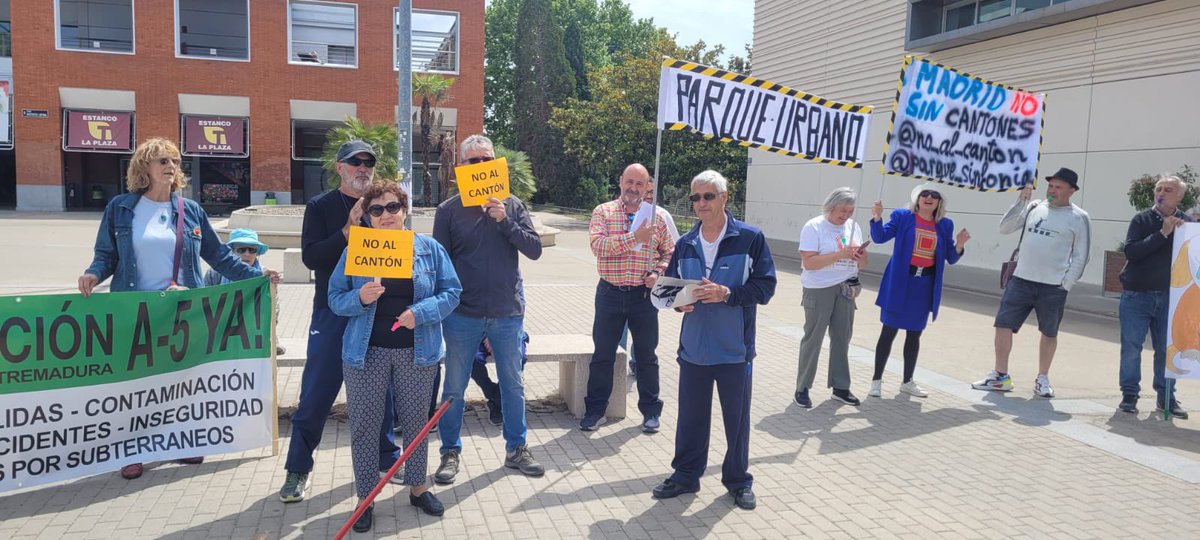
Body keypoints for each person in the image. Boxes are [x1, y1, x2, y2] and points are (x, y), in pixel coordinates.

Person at [78, 137, 279, 480]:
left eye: (173, 161)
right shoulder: (122, 208)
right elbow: (107, 254)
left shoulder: (190, 211)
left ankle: (183, 441)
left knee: (182, 381)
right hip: (135, 308)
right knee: (136, 383)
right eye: (162, 161)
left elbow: (218, 256)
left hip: (183, 308)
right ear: (144, 168)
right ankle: (133, 449)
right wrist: (94, 273)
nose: (170, 167)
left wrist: (256, 275)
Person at [328, 182, 461, 531]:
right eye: (376, 209)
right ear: (367, 217)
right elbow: (334, 298)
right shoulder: (355, 251)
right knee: (366, 427)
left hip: (417, 353)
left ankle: (418, 488)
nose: (385, 215)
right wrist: (360, 298)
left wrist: (423, 311)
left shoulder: (429, 249)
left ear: (403, 210)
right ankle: (366, 497)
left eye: (392, 207)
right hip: (365, 353)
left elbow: (452, 292)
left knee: (417, 425)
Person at [279, 141, 400, 503]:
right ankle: (297, 469)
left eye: (368, 162)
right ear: (340, 168)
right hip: (332, 314)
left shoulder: (384, 204)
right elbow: (312, 258)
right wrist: (348, 230)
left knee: (382, 392)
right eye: (355, 162)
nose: (363, 168)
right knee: (317, 393)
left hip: (377, 312)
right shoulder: (321, 207)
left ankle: (386, 457)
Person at [651, 170, 776, 510]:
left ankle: (737, 481)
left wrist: (727, 293)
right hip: (693, 349)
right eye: (696, 198)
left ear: (724, 197)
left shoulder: (750, 238)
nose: (701, 203)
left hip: (734, 349)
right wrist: (678, 303)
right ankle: (686, 475)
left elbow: (766, 287)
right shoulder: (685, 243)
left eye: (708, 196)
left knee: (736, 421)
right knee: (690, 417)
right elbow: (672, 290)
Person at [432, 134, 545, 484]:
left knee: (513, 385)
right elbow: (438, 264)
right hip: (461, 315)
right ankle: (450, 452)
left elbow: (535, 249)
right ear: (461, 168)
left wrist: (503, 220)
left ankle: (517, 448)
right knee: (453, 388)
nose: (480, 167)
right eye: (473, 162)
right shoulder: (448, 210)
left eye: (486, 161)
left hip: (507, 313)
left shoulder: (512, 205)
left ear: (496, 164)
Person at [973, 168, 1091, 398]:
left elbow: (1081, 255)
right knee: (1003, 325)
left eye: (1059, 187)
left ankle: (1042, 378)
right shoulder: (1035, 207)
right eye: (1051, 186)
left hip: (1053, 287)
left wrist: (1066, 284)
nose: (1053, 191)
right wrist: (1021, 200)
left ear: (1072, 191)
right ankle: (1000, 376)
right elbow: (1005, 228)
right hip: (1021, 280)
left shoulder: (1079, 217)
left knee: (1049, 332)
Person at [582, 163, 673, 432]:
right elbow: (598, 246)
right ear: (620, 182)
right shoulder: (603, 212)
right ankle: (595, 410)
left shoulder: (656, 217)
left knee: (646, 355)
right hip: (610, 292)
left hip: (643, 296)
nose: (633, 188)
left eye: (639, 184)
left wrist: (658, 272)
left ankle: (650, 411)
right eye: (629, 182)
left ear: (648, 188)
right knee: (603, 355)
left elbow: (669, 252)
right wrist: (634, 237)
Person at [868, 183, 970, 398]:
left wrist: (959, 245)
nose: (929, 197)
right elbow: (879, 237)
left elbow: (950, 257)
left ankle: (907, 381)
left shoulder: (944, 225)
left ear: (939, 202)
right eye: (925, 194)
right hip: (899, 283)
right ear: (917, 198)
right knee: (889, 331)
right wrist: (877, 217)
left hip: (923, 286)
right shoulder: (902, 217)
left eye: (934, 195)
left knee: (914, 334)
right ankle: (876, 380)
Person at [1117, 174, 1190, 418]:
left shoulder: (1188, 224)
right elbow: (1132, 252)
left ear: (1179, 195)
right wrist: (1163, 233)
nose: (1161, 192)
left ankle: (1166, 397)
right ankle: (1129, 395)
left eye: (1168, 189)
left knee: (1167, 350)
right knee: (1131, 347)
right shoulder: (1142, 220)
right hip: (1137, 296)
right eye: (1158, 188)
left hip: (1172, 299)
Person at [794, 187, 868, 408]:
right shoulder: (814, 226)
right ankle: (802, 387)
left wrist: (861, 256)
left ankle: (841, 387)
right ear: (831, 206)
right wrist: (840, 254)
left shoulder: (854, 228)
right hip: (819, 288)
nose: (845, 215)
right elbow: (809, 263)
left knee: (842, 337)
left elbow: (863, 264)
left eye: (850, 211)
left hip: (846, 287)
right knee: (813, 337)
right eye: (842, 210)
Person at [622, 182, 682, 376]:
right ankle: (615, 366)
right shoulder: (621, 214)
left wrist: (658, 273)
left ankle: (637, 363)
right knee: (618, 332)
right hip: (618, 288)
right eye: (644, 191)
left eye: (651, 192)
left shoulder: (662, 216)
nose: (647, 196)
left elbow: (673, 249)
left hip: (646, 289)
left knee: (643, 335)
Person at [203, 227, 286, 356]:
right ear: (231, 252)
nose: (247, 254)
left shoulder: (266, 276)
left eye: (252, 250)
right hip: (220, 329)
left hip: (253, 331)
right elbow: (203, 303)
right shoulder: (214, 274)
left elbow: (273, 311)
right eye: (241, 250)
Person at [474, 334, 530, 426]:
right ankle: (495, 395)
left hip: (510, 332)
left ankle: (497, 400)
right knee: (472, 360)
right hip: (479, 333)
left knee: (519, 358)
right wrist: (486, 336)